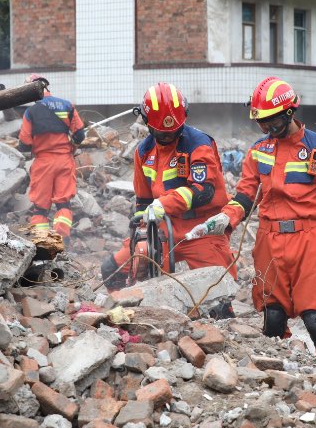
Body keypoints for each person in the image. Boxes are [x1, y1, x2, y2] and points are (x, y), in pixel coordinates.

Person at [187, 77, 316, 369]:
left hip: (309, 243)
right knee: (273, 319)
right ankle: (278, 378)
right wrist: (226, 217)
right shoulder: (259, 150)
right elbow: (245, 195)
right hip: (270, 244)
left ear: (289, 113)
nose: (265, 129)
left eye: (270, 122)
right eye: (260, 123)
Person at [100, 83, 236, 299]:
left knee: (218, 298)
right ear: (147, 123)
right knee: (112, 271)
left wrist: (164, 204)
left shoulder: (198, 144)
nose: (168, 137)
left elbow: (204, 190)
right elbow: (143, 200)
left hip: (202, 229)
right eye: (162, 133)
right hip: (162, 230)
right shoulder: (144, 152)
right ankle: (123, 316)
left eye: (173, 131)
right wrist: (140, 227)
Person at [17, 74, 85, 238]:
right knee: (63, 203)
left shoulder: (31, 112)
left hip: (43, 163)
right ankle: (61, 240)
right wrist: (71, 147)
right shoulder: (67, 105)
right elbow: (80, 135)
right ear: (46, 86)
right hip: (64, 160)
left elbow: (24, 144)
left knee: (40, 206)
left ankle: (41, 243)